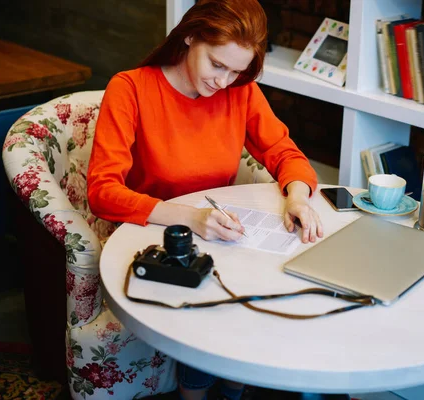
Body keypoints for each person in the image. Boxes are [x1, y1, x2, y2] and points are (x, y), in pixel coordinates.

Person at [87, 0, 324, 399]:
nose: (223, 81)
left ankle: (232, 387)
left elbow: (286, 154)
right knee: (210, 301)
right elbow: (102, 191)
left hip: (219, 232)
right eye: (217, 64)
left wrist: (297, 197)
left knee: (275, 282)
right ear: (190, 36)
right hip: (156, 237)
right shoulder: (130, 88)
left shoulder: (240, 91)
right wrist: (190, 219)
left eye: (236, 71)